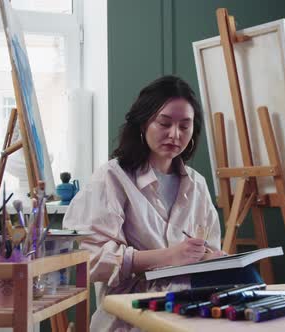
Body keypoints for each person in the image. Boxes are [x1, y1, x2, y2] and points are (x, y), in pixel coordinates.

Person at [63, 75, 224, 331]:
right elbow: (88, 259)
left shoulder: (197, 184)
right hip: (129, 320)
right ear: (143, 122)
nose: (174, 134)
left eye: (185, 126)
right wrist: (169, 256)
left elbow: (209, 250)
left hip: (187, 315)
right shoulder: (112, 177)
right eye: (164, 123)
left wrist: (210, 257)